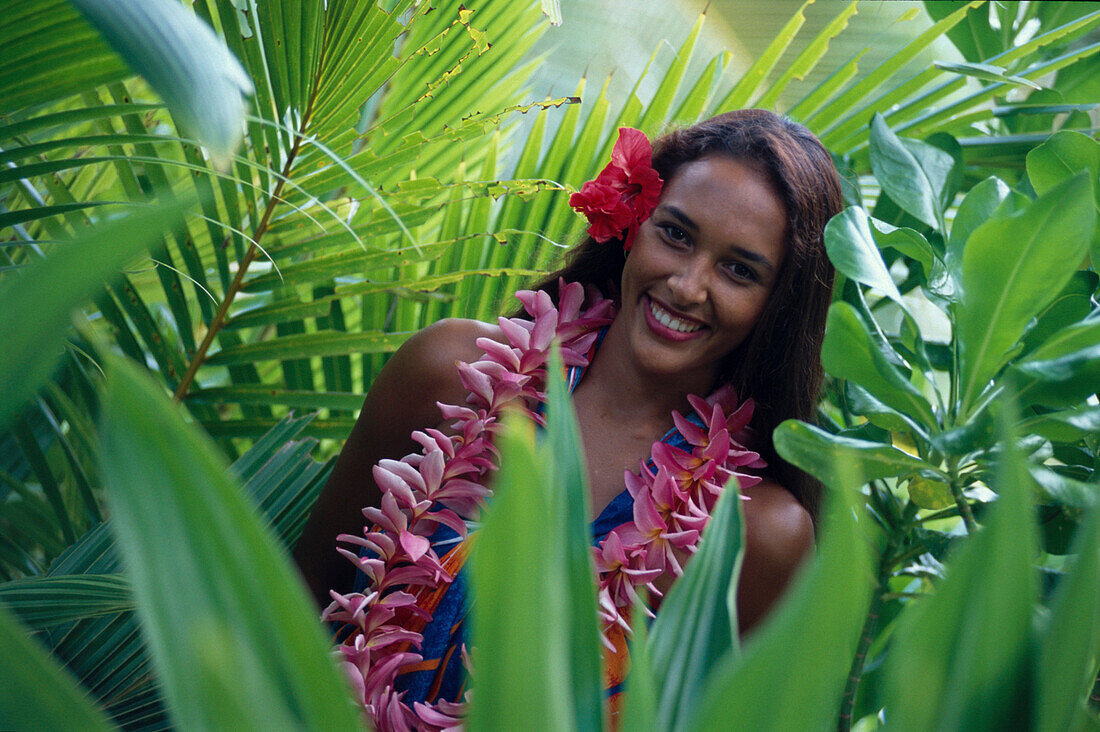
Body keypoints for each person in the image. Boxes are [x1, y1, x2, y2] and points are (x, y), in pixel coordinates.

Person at [293, 109, 844, 729]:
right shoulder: (448, 375)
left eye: (740, 270)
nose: (688, 286)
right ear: (633, 223)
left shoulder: (757, 531)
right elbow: (292, 612)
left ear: (780, 303)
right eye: (677, 235)